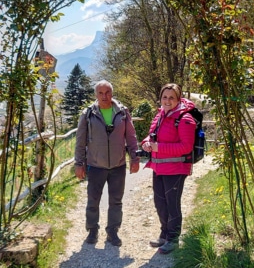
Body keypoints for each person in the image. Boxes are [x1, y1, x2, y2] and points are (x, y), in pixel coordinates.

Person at [74, 80, 140, 247]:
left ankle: (112, 231)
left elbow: (131, 137)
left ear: (112, 93)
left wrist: (134, 158)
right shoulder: (88, 114)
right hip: (95, 165)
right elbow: (80, 141)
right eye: (101, 93)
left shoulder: (122, 112)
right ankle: (92, 230)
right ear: (96, 95)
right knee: (93, 200)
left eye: (108, 92)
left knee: (116, 201)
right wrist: (79, 163)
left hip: (118, 165)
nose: (104, 96)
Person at [141, 83, 196, 254]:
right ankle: (164, 234)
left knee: (172, 204)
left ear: (178, 99)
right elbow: (151, 135)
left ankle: (173, 239)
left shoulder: (185, 119)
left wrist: (159, 148)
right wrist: (146, 143)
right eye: (165, 97)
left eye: (171, 97)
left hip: (176, 168)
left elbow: (186, 147)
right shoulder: (160, 115)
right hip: (159, 167)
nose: (167, 100)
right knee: (160, 203)